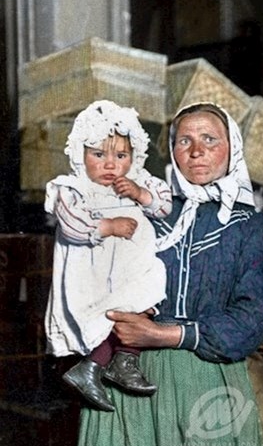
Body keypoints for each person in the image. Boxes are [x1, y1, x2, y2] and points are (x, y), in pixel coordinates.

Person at [63, 101, 263, 446]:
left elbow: (249, 323)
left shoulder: (252, 227)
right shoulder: (138, 210)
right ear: (170, 151)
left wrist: (162, 332)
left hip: (203, 377)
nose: (198, 151)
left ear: (233, 149)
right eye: (184, 140)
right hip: (122, 383)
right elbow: (84, 271)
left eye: (211, 139)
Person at [44, 99, 172, 412]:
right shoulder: (72, 188)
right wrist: (108, 225)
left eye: (121, 155)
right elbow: (72, 225)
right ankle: (93, 365)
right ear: (80, 154)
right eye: (98, 155)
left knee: (148, 292)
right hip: (93, 274)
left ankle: (122, 360)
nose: (110, 164)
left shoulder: (139, 181)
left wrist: (141, 195)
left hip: (133, 268)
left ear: (135, 156)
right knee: (106, 316)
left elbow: (165, 205)